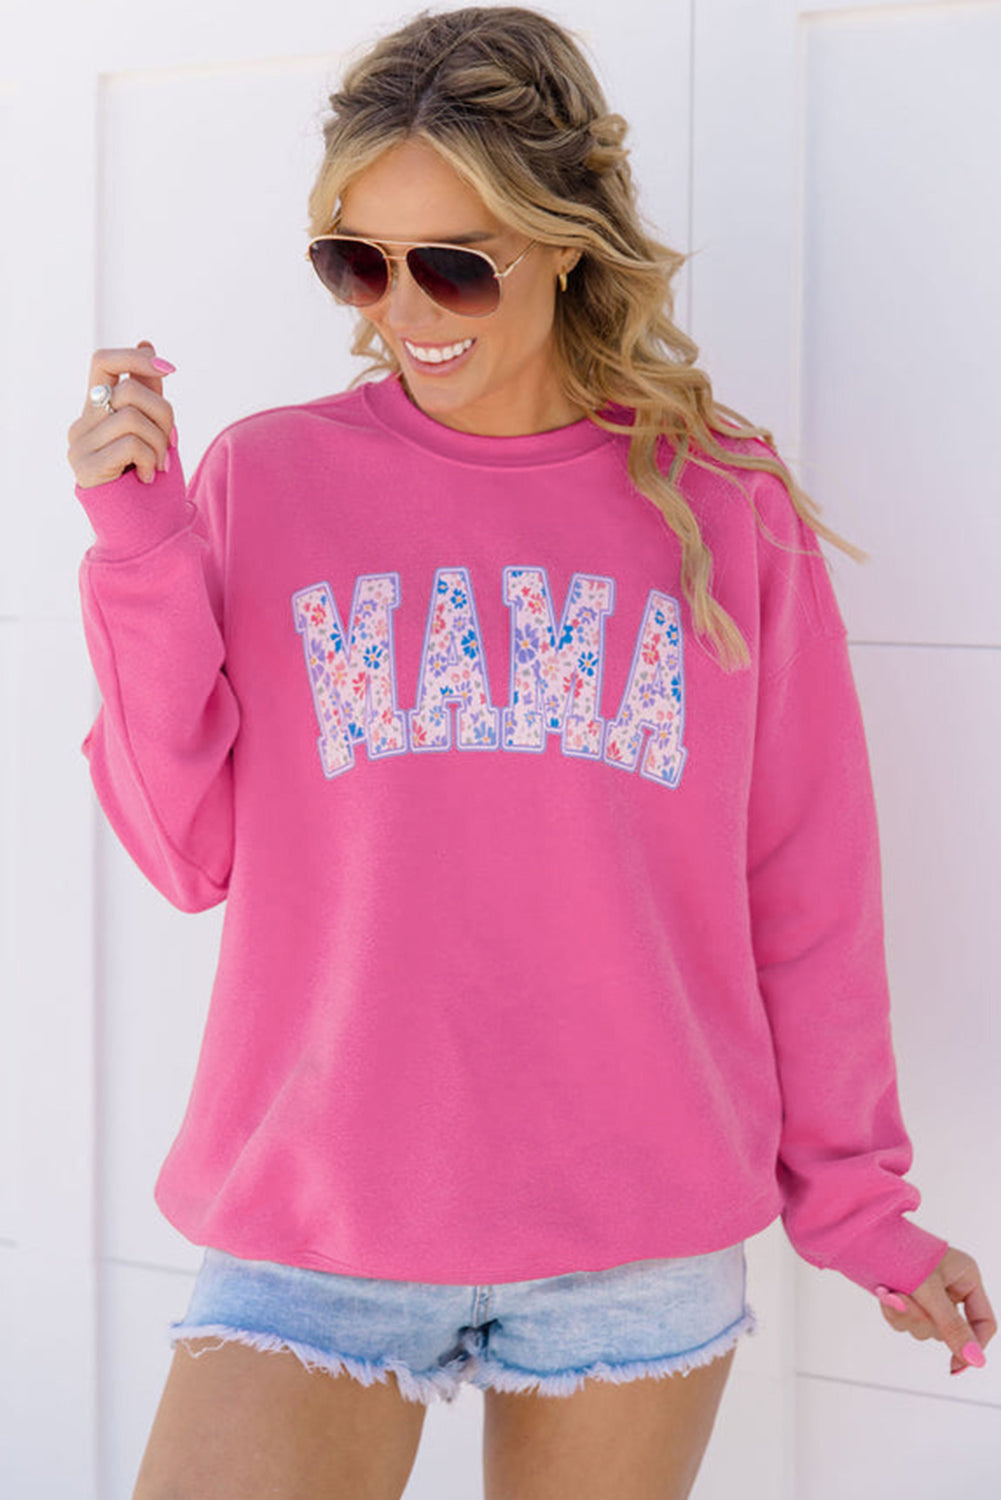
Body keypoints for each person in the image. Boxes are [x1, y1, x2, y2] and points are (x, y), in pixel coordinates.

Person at [67, 7, 994, 1498]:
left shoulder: (721, 500)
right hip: (316, 1212)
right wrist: (140, 551)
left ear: (565, 240)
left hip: (635, 1240)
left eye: (453, 263)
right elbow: (188, 856)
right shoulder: (271, 478)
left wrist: (855, 1205)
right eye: (357, 262)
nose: (403, 310)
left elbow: (808, 884)